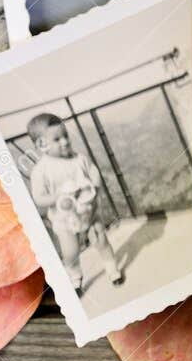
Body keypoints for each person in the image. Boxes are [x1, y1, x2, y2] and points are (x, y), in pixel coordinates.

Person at [26, 114, 123, 294]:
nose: (65, 141)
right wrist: (58, 196)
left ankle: (112, 268)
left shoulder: (78, 158)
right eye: (57, 139)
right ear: (41, 144)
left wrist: (94, 184)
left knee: (101, 241)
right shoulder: (41, 170)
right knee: (70, 252)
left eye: (65, 136)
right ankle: (75, 276)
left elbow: (93, 170)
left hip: (89, 212)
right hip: (64, 221)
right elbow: (39, 198)